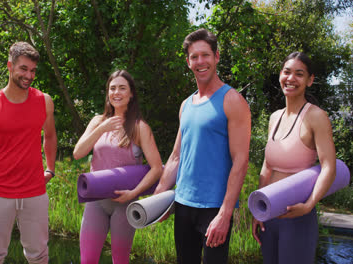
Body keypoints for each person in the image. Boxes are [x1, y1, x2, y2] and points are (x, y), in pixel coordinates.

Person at [154, 28, 251, 263]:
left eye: (205, 55)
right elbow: (176, 156)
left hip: (214, 208)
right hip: (183, 203)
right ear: (188, 62)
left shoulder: (233, 101)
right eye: (194, 57)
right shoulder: (186, 105)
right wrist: (158, 196)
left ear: (216, 57)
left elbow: (241, 161)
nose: (200, 61)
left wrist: (225, 214)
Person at [0, 41, 57, 264]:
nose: (29, 75)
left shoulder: (44, 101)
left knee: (39, 255)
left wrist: (50, 169)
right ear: (10, 66)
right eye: (23, 69)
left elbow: (51, 136)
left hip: (35, 193)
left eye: (33, 70)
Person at [252, 52, 336, 264]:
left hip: (298, 215)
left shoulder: (316, 116)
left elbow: (328, 167)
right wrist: (258, 210)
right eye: (287, 72)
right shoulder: (274, 117)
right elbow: (266, 168)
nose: (290, 79)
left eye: (299, 74)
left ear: (310, 80)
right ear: (280, 74)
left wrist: (309, 204)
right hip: (269, 215)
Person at [73, 70, 163, 264]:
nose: (116, 92)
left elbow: (156, 168)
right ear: (107, 93)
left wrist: (134, 193)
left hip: (125, 203)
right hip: (95, 201)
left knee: (120, 260)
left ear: (131, 94)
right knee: (87, 260)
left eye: (122, 88)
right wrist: (101, 129)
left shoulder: (139, 127)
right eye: (112, 88)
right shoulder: (98, 121)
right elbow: (78, 153)